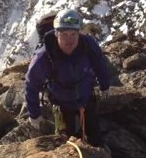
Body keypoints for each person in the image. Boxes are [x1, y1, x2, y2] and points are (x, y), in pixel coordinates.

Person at [25, 8, 110, 146]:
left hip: (86, 100)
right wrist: (34, 114)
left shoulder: (87, 44)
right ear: (56, 34)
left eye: (73, 34)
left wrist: (105, 85)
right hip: (61, 104)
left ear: (79, 34)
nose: (69, 40)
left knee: (94, 136)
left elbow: (100, 63)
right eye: (64, 34)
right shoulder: (44, 57)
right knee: (66, 141)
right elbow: (31, 84)